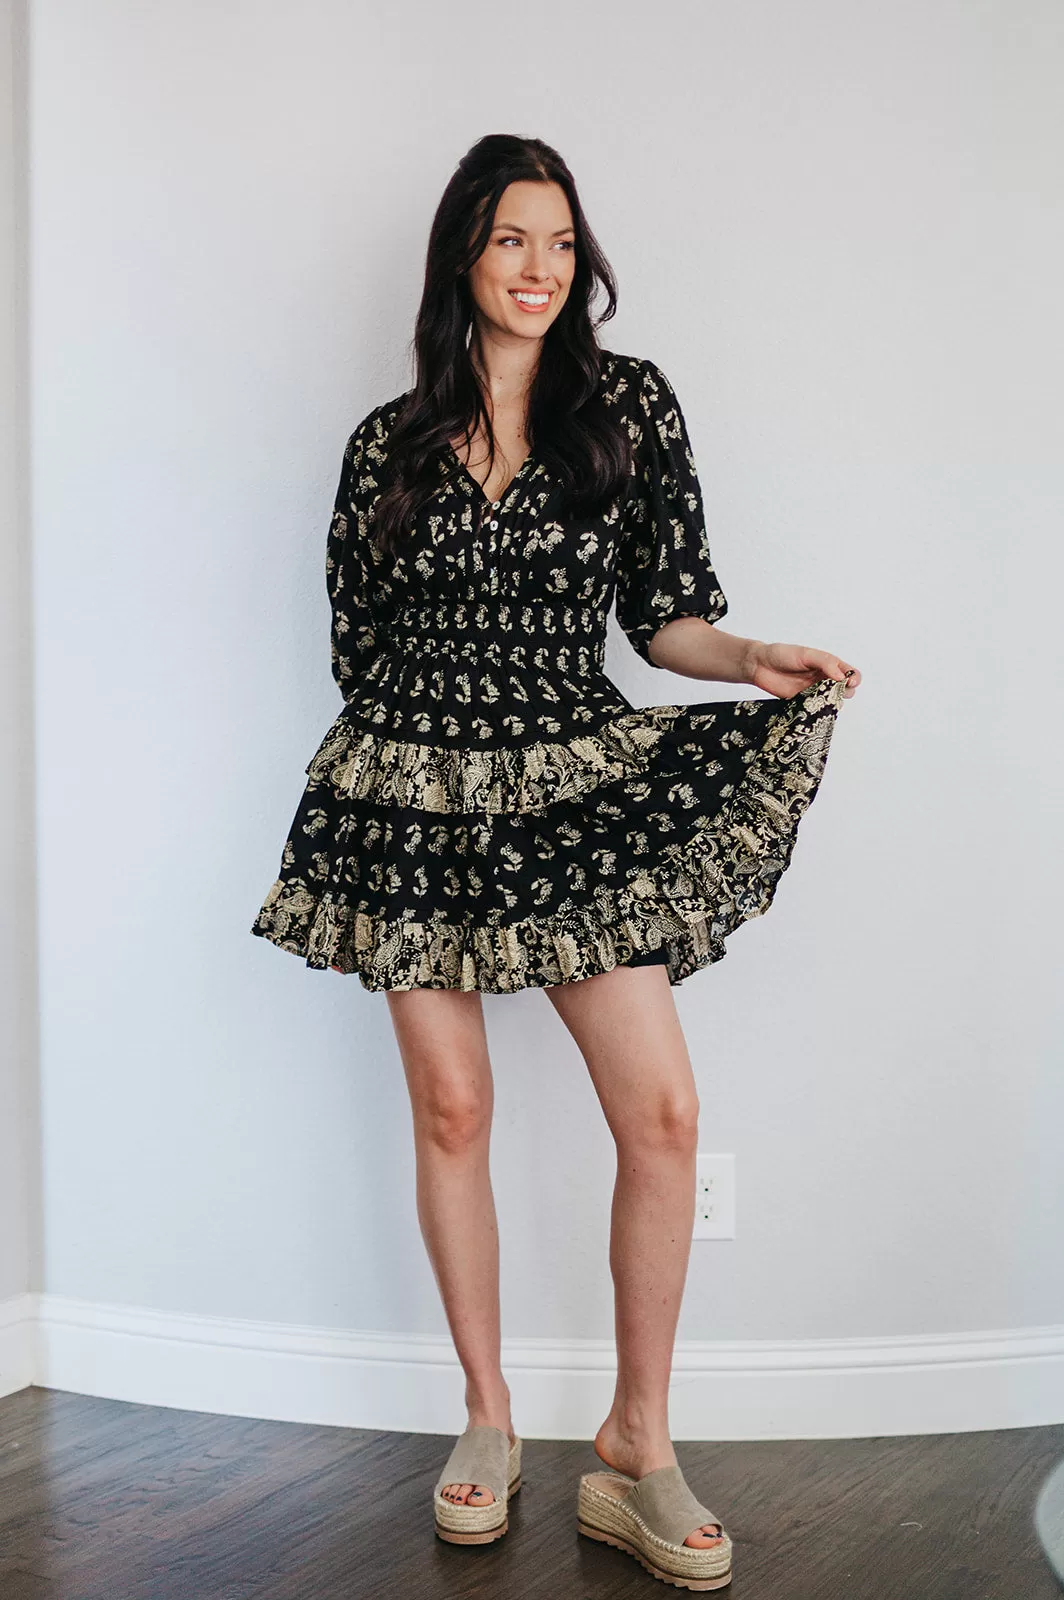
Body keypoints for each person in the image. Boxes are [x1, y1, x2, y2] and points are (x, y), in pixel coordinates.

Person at [251, 133, 860, 1589]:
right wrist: (425, 766)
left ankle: (638, 1445)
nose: (540, 268)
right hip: (411, 790)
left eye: (563, 242)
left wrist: (748, 659)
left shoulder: (626, 409)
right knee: (452, 1108)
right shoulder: (387, 443)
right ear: (464, 253)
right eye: (513, 238)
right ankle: (486, 1416)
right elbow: (357, 646)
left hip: (570, 777)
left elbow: (664, 615)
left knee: (663, 1115)